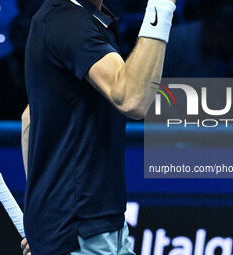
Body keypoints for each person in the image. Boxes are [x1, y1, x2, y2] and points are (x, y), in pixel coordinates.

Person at [20, 0, 176, 254]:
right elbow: (132, 98)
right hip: (78, 232)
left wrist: (41, 216)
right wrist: (162, 5)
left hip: (95, 226)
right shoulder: (69, 22)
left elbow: (30, 118)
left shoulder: (75, 18)